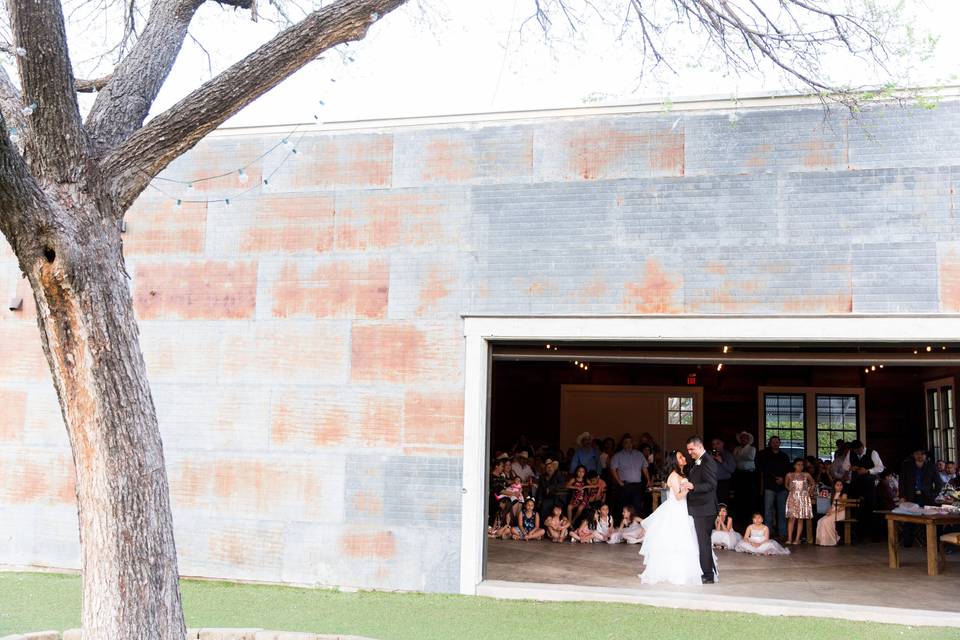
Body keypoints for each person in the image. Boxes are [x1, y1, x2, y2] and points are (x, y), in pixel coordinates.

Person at [637, 450, 711, 586]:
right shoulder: (674, 475)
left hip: (684, 509)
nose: (683, 458)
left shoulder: (682, 474)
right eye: (680, 457)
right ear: (675, 461)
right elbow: (677, 496)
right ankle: (676, 572)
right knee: (677, 539)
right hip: (677, 510)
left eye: (683, 456)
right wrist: (689, 488)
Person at [681, 436, 720, 583]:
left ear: (699, 446)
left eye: (691, 449)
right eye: (688, 450)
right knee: (703, 542)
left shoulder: (708, 461)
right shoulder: (698, 461)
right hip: (699, 507)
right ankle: (710, 571)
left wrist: (693, 486)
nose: (689, 452)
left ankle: (708, 575)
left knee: (703, 542)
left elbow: (711, 485)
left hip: (704, 508)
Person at [899, 448, 943, 547]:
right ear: (913, 455)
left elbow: (939, 484)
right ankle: (907, 543)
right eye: (917, 453)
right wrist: (902, 496)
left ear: (925, 455)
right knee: (909, 520)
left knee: (928, 520)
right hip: (911, 496)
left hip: (926, 497)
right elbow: (902, 482)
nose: (920, 456)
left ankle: (930, 543)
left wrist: (933, 494)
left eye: (922, 454)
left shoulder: (931, 466)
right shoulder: (907, 466)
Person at [844, 439, 884, 539]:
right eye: (855, 451)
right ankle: (858, 534)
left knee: (870, 507)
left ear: (862, 447)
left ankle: (872, 535)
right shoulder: (851, 453)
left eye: (859, 451)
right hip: (855, 485)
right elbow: (844, 465)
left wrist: (868, 471)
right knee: (856, 509)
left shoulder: (872, 453)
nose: (857, 453)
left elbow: (880, 467)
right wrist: (850, 468)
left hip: (869, 485)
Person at [756, 436, 791, 539]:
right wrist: (775, 477)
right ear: (769, 443)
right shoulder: (765, 455)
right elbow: (762, 468)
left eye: (777, 442)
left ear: (780, 443)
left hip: (782, 486)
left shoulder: (784, 456)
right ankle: (768, 532)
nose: (775, 443)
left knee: (782, 510)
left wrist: (783, 479)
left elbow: (788, 470)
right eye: (773, 442)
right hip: (769, 485)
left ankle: (783, 533)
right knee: (768, 511)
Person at [610, 435, 651, 515]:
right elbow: (613, 469)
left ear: (633, 444)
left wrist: (648, 479)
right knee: (624, 506)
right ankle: (624, 524)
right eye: (626, 442)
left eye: (630, 442)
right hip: (625, 485)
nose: (628, 444)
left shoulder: (639, 454)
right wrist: (619, 482)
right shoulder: (618, 455)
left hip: (637, 485)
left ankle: (635, 524)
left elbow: (644, 467)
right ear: (623, 444)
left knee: (637, 506)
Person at [785, 459, 815, 545]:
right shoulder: (789, 475)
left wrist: (810, 491)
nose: (800, 466)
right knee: (791, 518)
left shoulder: (806, 474)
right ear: (794, 465)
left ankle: (797, 539)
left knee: (800, 519)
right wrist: (790, 490)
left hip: (803, 498)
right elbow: (786, 485)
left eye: (802, 465)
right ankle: (789, 538)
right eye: (798, 464)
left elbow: (813, 483)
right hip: (793, 497)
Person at [732, 431, 757, 522]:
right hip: (739, 474)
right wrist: (741, 456)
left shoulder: (752, 448)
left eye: (745, 438)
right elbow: (734, 458)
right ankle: (740, 518)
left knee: (749, 496)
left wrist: (739, 456)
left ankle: (748, 518)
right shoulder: (737, 448)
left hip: (749, 475)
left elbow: (750, 457)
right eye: (742, 438)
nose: (743, 439)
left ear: (748, 439)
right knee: (739, 496)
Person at [816, 480, 847, 546]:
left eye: (841, 485)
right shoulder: (833, 494)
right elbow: (832, 506)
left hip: (839, 513)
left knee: (826, 521)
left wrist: (833, 512)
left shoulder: (843, 495)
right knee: (820, 521)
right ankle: (822, 540)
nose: (839, 487)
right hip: (833, 512)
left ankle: (833, 540)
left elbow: (843, 507)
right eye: (837, 485)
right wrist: (829, 511)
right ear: (834, 486)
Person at [711, 438, 736, 505]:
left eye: (717, 443)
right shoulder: (709, 455)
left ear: (722, 444)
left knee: (722, 504)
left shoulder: (728, 455)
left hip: (723, 484)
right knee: (713, 504)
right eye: (713, 444)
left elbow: (732, 469)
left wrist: (722, 461)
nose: (715, 446)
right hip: (712, 483)